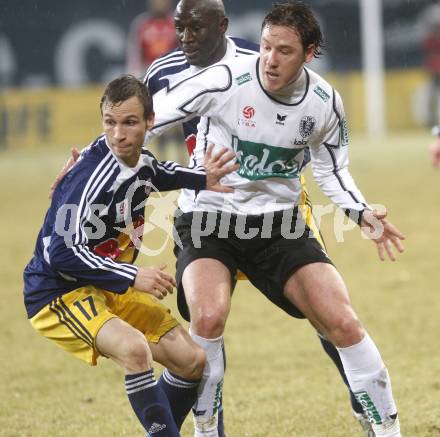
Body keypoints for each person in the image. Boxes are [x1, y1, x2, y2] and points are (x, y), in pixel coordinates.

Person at [146, 2, 405, 436]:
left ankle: (388, 429)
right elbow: (149, 121)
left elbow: (331, 169)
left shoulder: (325, 103)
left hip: (278, 227)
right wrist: (89, 163)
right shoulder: (226, 79)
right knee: (207, 317)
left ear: (309, 53)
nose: (269, 59)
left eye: (284, 51)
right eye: (265, 47)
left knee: (342, 321)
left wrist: (360, 212)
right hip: (210, 219)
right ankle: (207, 431)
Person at [24, 74, 239, 436]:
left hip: (107, 284)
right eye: (110, 123)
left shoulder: (137, 161)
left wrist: (202, 178)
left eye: (129, 123)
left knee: (192, 361)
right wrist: (133, 276)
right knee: (135, 350)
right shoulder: (91, 180)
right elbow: (61, 252)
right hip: (58, 291)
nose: (119, 134)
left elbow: (157, 172)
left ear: (149, 122)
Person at [126, 0, 177, 77]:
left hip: (173, 71)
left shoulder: (177, 22)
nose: (159, 3)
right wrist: (134, 75)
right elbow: (134, 53)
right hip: (147, 72)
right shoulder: (141, 23)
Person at [417, 0, 440, 127]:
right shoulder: (431, 14)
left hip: (433, 61)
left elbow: (423, 38)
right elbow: (425, 40)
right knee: (431, 92)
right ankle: (430, 121)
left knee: (432, 92)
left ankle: (430, 121)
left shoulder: (429, 14)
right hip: (434, 61)